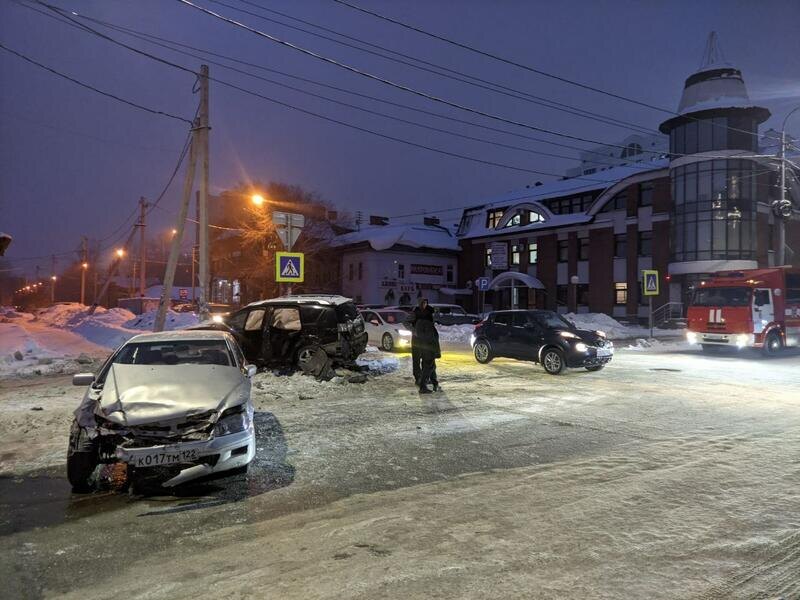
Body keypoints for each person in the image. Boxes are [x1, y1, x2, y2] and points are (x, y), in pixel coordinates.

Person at [406, 298, 441, 394]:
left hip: (428, 340)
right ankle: (419, 379)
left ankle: (431, 381)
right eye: (422, 303)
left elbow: (435, 321)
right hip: (418, 340)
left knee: (429, 361)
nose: (424, 304)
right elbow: (406, 322)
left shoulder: (430, 311)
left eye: (425, 303)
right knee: (417, 359)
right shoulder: (415, 312)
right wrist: (414, 331)